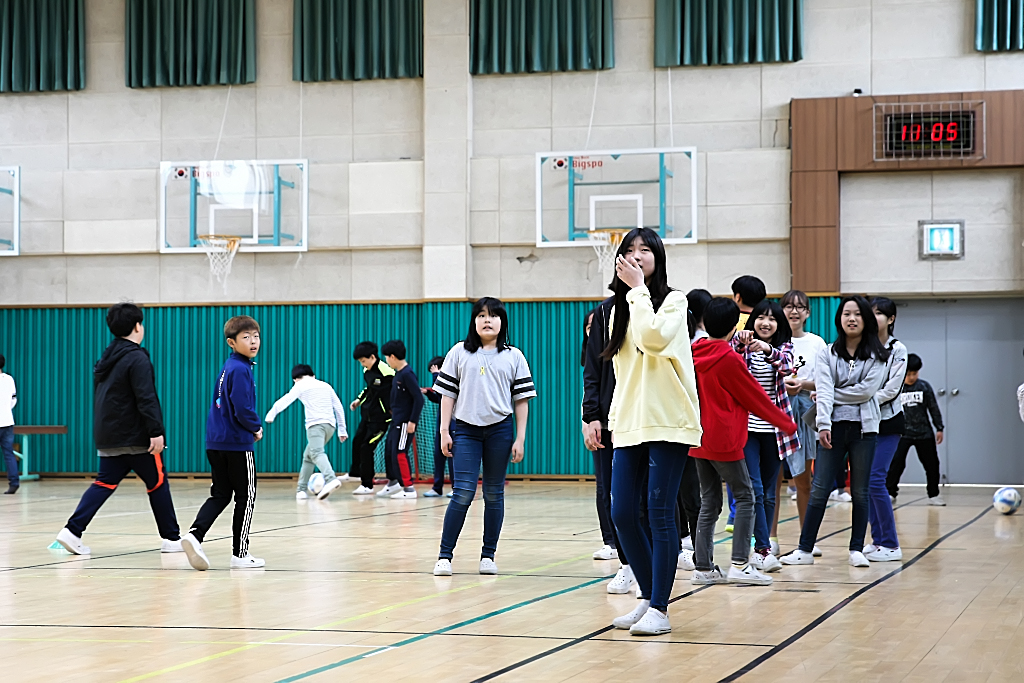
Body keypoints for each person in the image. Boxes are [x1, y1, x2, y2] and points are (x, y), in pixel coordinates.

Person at [601, 227, 701, 637]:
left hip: (668, 420)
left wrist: (639, 292)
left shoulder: (675, 301)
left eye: (646, 249)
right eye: (630, 250)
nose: (637, 255)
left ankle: (660, 606)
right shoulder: (613, 309)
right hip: (629, 422)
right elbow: (614, 368)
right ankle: (647, 597)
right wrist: (605, 418)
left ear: (658, 257)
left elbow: (654, 340)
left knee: (660, 514)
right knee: (622, 511)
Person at [55, 304, 182, 555]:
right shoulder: (137, 357)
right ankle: (171, 538)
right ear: (137, 326)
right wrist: (156, 431)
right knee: (157, 483)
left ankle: (71, 531)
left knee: (104, 483)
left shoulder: (105, 358)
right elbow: (146, 397)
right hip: (136, 437)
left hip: (108, 436)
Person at [689, 298, 798, 587]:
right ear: (733, 326)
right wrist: (785, 422)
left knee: (709, 501)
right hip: (724, 440)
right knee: (747, 496)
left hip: (697, 439)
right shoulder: (728, 358)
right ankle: (740, 563)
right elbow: (755, 398)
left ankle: (703, 568)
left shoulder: (693, 352)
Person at [781, 296, 888, 568]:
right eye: (846, 314)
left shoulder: (878, 355)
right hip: (832, 429)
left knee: (860, 492)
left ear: (865, 319)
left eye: (857, 314)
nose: (851, 319)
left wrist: (832, 393)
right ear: (839, 319)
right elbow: (824, 391)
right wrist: (824, 424)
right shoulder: (827, 352)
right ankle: (805, 549)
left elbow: (866, 391)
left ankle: (856, 549)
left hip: (865, 429)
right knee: (819, 490)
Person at [432, 297, 536, 577]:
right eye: (480, 315)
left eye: (492, 316)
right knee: (463, 492)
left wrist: (520, 438)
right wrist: (444, 431)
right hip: (465, 431)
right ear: (473, 321)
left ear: (502, 322)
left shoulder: (514, 356)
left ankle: (488, 555)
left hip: (500, 431)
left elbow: (522, 400)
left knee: (493, 493)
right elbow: (447, 395)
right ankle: (444, 556)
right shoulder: (458, 353)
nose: (486, 320)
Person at [181, 315, 265, 571]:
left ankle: (195, 535)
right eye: (246, 337)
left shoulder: (230, 366)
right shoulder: (241, 369)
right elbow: (242, 407)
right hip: (236, 443)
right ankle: (240, 554)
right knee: (246, 496)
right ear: (231, 341)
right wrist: (256, 427)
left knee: (220, 494)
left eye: (256, 336)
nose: (253, 342)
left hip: (215, 441)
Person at [733, 300, 800, 573]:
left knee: (771, 491)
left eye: (772, 319)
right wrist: (741, 342)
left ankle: (766, 544)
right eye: (760, 318)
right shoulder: (742, 346)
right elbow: (732, 356)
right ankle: (761, 549)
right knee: (755, 488)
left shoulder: (783, 348)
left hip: (774, 429)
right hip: (746, 428)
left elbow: (787, 366)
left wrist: (767, 349)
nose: (765, 323)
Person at [775, 289, 827, 556]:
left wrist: (802, 384)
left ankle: (807, 540)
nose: (794, 311)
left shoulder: (817, 343)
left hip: (805, 410)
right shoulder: (773, 341)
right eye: (788, 306)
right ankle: (769, 540)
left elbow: (826, 381)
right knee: (771, 479)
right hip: (774, 411)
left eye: (800, 307)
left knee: (804, 479)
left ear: (807, 312)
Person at [863, 297, 907, 561]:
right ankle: (877, 540)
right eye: (872, 313)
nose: (874, 318)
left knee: (876, 480)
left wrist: (861, 399)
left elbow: (891, 390)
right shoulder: (862, 347)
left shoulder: (898, 349)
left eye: (880, 314)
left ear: (891, 319)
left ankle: (891, 544)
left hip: (888, 422)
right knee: (866, 482)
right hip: (864, 422)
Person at [264, 364, 349, 501]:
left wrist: (271, 414)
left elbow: (286, 400)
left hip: (315, 426)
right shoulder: (326, 385)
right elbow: (338, 406)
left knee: (316, 453)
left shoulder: (300, 385)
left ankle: (331, 479)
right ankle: (301, 490)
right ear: (313, 375)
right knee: (308, 456)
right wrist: (342, 429)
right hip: (330, 427)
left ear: (295, 379)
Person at [581, 308, 619, 564]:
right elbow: (588, 393)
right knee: (604, 485)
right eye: (589, 326)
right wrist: (587, 422)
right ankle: (611, 541)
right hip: (600, 424)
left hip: (626, 423)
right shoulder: (590, 360)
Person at [887, 353, 946, 506]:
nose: (911, 377)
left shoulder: (924, 387)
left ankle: (933, 494)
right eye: (908, 374)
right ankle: (890, 492)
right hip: (902, 433)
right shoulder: (895, 388)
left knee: (931, 464)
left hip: (924, 433)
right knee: (896, 463)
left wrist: (939, 428)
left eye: (914, 374)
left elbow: (933, 408)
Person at [349, 342, 395, 495]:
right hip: (367, 416)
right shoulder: (367, 370)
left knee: (366, 448)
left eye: (363, 361)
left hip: (382, 419)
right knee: (357, 442)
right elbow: (369, 388)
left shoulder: (387, 372)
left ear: (373, 357)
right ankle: (354, 474)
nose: (362, 364)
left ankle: (367, 485)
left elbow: (394, 394)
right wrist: (358, 400)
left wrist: (393, 412)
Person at [382, 339, 424, 499]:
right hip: (396, 421)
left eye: (386, 357)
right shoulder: (398, 374)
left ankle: (409, 489)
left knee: (400, 453)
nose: (386, 360)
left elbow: (418, 399)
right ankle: (395, 484)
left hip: (405, 422)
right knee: (391, 451)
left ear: (392, 356)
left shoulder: (407, 374)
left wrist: (412, 421)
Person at [423, 355, 453, 498]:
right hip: (440, 427)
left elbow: (442, 391)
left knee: (453, 458)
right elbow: (439, 399)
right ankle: (437, 487)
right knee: (438, 457)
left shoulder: (451, 379)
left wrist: (436, 375)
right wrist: (428, 393)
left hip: (452, 426)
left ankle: (456, 487)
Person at [0, 354, 17, 495]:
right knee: (8, 453)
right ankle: (14, 482)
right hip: (7, 421)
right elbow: (13, 399)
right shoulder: (9, 379)